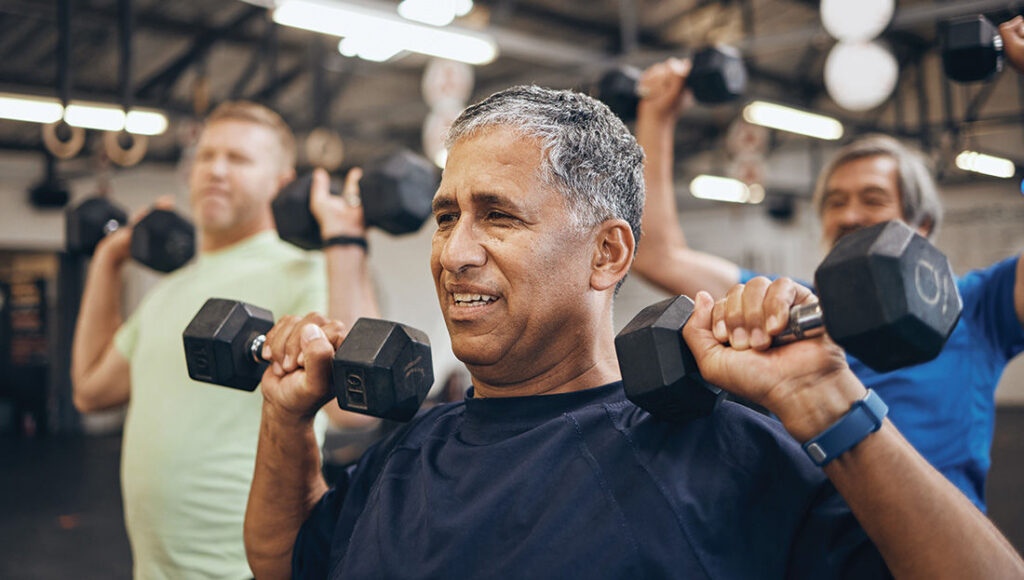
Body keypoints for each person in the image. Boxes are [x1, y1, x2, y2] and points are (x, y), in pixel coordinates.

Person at [241, 86, 1024, 579]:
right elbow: (284, 563)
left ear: (607, 253)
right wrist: (285, 423)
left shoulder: (726, 456)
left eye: (497, 216)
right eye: (447, 216)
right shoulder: (405, 456)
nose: (454, 252)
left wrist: (827, 401)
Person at [629, 59, 1024, 511]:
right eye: (836, 202)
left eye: (872, 199)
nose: (849, 215)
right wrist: (657, 116)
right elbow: (659, 254)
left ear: (923, 224)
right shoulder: (786, 306)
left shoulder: (975, 303)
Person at [70, 101, 378, 579]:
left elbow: (354, 408)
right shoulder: (169, 289)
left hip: (252, 567)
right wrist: (109, 263)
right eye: (205, 156)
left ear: (281, 182)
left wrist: (342, 242)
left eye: (237, 159)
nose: (214, 170)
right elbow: (91, 391)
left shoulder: (304, 269)